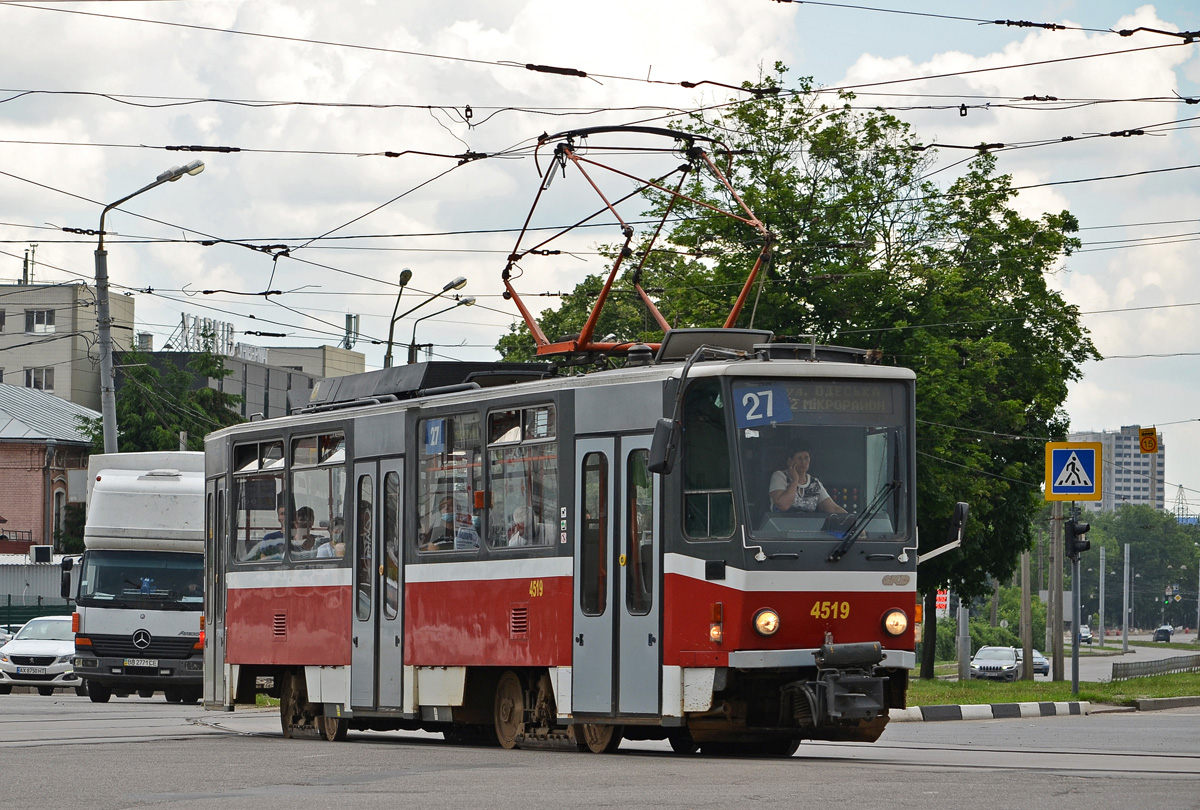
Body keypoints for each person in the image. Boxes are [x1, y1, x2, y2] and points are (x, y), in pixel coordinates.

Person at [768, 446, 847, 515]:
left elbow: (833, 508)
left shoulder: (815, 483)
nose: (803, 462)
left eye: (806, 458)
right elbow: (783, 505)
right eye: (799, 458)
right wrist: (795, 480)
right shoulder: (780, 476)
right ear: (790, 461)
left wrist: (851, 520)